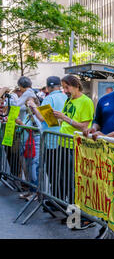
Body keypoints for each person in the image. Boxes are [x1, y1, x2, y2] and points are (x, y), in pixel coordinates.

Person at [53, 74, 95, 230]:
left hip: (75, 147)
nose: (65, 90)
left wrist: (65, 118)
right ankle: (71, 215)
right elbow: (66, 120)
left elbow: (85, 126)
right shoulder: (69, 100)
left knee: (74, 184)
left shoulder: (86, 101)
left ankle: (77, 217)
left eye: (66, 87)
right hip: (63, 144)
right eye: (63, 87)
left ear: (76, 85)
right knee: (65, 181)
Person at [26, 76, 67, 206]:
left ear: (48, 87)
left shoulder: (50, 98)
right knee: (62, 173)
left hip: (51, 141)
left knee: (53, 173)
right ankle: (60, 200)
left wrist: (32, 106)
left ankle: (56, 201)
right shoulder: (66, 97)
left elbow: (43, 119)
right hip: (64, 140)